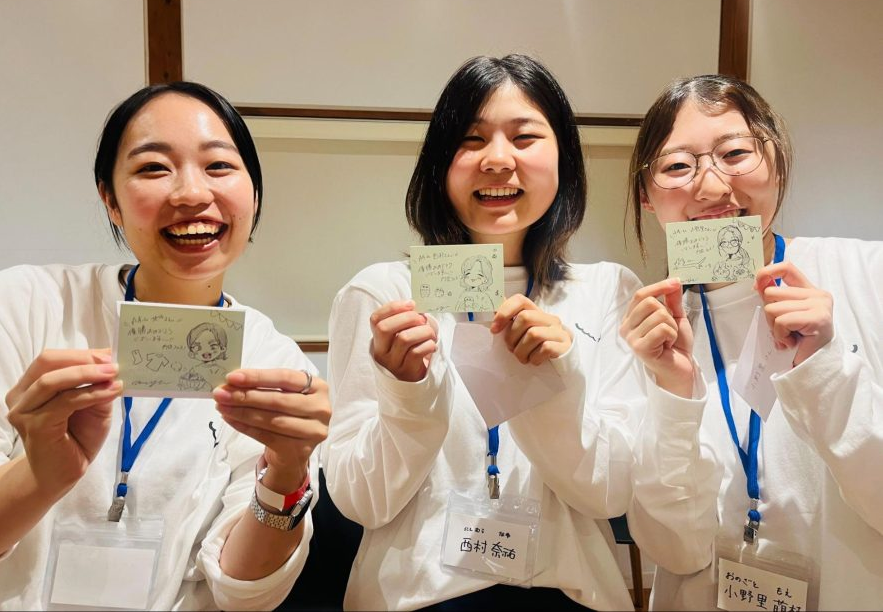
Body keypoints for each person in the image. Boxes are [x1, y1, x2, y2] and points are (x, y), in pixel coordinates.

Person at [322, 54, 693, 611]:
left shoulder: (609, 291)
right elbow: (363, 503)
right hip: (417, 600)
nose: (497, 160)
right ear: (438, 164)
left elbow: (610, 494)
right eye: (471, 140)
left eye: (524, 137)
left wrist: (555, 388)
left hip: (572, 598)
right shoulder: (384, 295)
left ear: (564, 157)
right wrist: (408, 394)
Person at [0, 82, 331, 610]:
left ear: (255, 195)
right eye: (153, 168)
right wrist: (41, 475)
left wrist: (286, 473)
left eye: (219, 166)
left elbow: (244, 592)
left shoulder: (274, 364)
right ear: (110, 200)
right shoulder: (21, 305)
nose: (191, 194)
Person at [621, 74, 883, 610]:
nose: (713, 188)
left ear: (777, 161)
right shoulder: (648, 330)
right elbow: (674, 550)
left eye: (735, 153)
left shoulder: (867, 274)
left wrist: (826, 371)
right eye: (677, 166)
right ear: (647, 196)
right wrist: (674, 393)